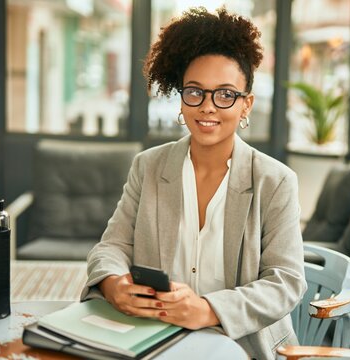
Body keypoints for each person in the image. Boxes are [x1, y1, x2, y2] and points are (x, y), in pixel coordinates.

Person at [81, 7, 307, 359]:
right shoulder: (149, 166)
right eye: (195, 92)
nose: (207, 107)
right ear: (181, 97)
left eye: (225, 94)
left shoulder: (275, 181)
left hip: (241, 346)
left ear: (246, 105)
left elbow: (285, 282)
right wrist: (114, 284)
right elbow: (112, 247)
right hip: (154, 339)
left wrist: (207, 309)